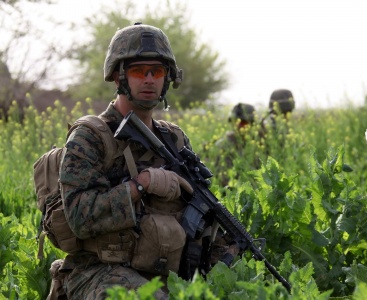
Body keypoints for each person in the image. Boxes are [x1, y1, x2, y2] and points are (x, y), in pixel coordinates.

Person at [51, 23, 232, 300]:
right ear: (118, 77)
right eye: (138, 71)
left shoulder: (175, 140)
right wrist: (142, 184)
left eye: (156, 71)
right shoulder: (91, 136)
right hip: (98, 270)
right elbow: (79, 217)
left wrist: (227, 257)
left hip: (165, 273)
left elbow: (201, 215)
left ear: (167, 78)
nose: (149, 79)